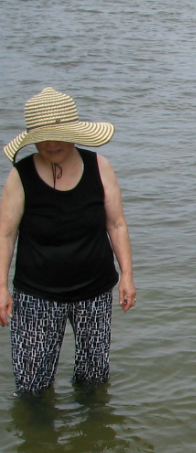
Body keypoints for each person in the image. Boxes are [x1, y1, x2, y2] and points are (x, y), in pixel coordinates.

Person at [0, 87, 136, 395]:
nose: (51, 143)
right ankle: (40, 439)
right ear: (32, 138)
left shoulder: (99, 166)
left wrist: (127, 275)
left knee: (94, 378)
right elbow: (5, 235)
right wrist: (1, 287)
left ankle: (93, 436)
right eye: (43, 136)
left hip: (95, 290)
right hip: (36, 294)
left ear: (73, 132)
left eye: (58, 133)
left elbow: (116, 224)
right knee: (32, 386)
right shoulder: (20, 176)